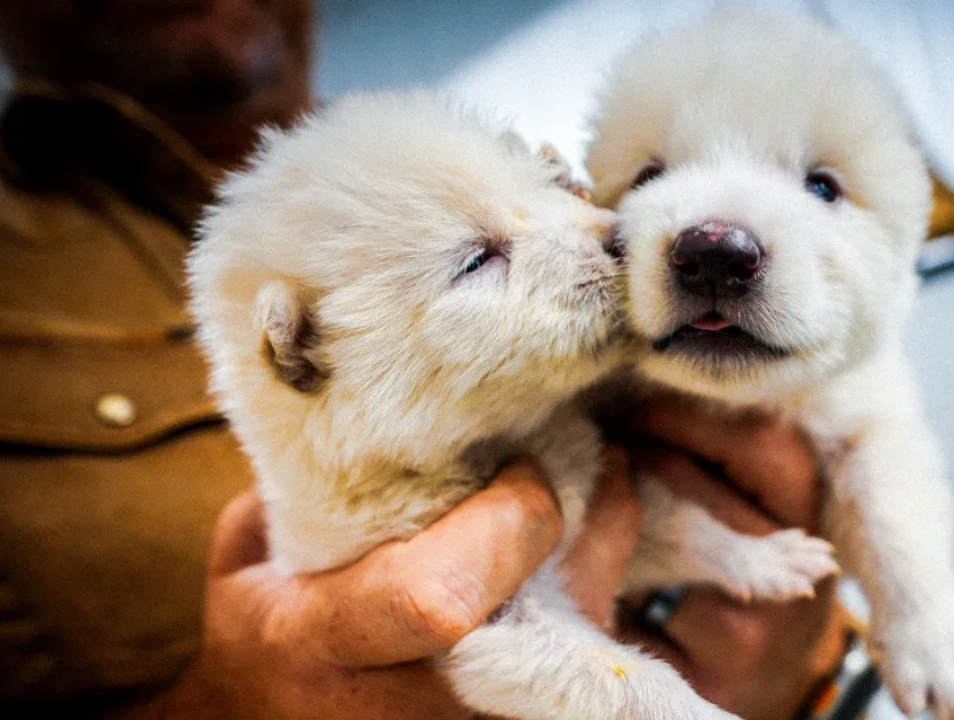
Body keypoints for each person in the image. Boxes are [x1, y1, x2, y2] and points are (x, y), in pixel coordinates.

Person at [0, 2, 854, 718]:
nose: (608, 233)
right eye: (480, 262)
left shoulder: (432, 147)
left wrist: (806, 664)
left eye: (556, 192)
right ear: (304, 352)